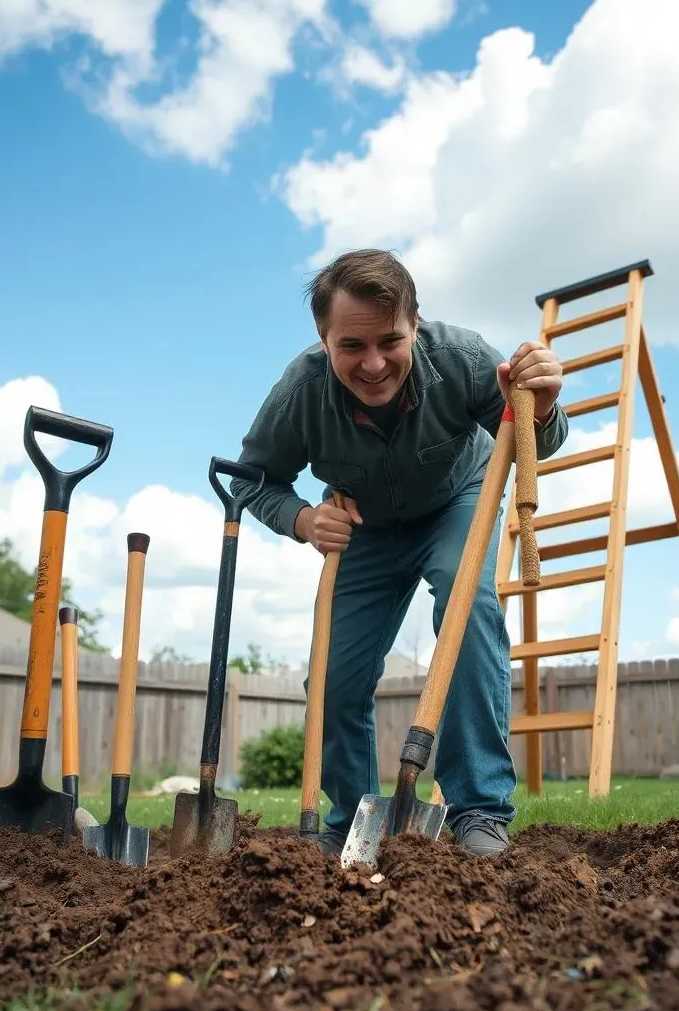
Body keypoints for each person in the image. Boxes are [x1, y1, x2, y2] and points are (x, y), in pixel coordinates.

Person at [231, 248, 568, 857]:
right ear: (323, 338)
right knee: (332, 674)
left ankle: (479, 811)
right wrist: (304, 519)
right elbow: (252, 478)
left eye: (391, 340)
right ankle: (354, 821)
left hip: (455, 502)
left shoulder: (462, 358)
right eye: (351, 347)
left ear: (416, 324)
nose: (374, 363)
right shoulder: (301, 394)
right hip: (367, 528)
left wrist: (540, 408)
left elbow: (530, 442)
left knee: (466, 609)